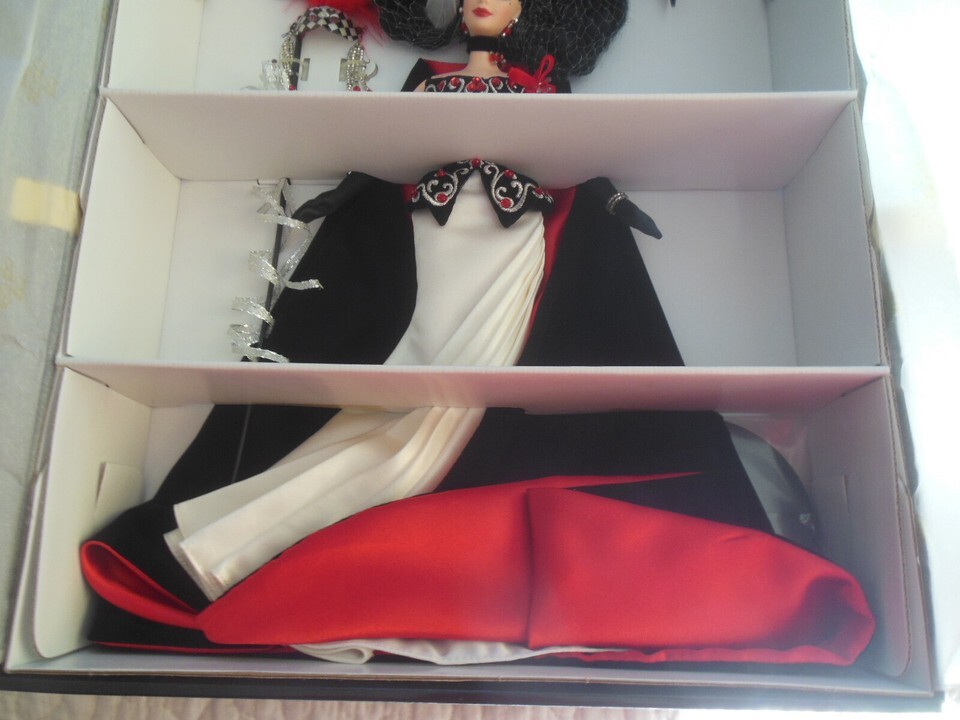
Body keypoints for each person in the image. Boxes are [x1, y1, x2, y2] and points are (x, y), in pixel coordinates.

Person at [79, 0, 875, 665]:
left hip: (515, 235)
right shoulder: (429, 76)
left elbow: (565, 153)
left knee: (479, 372)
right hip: (428, 231)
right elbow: (394, 145)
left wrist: (594, 208)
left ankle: (407, 472)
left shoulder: (543, 82)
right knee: (404, 355)